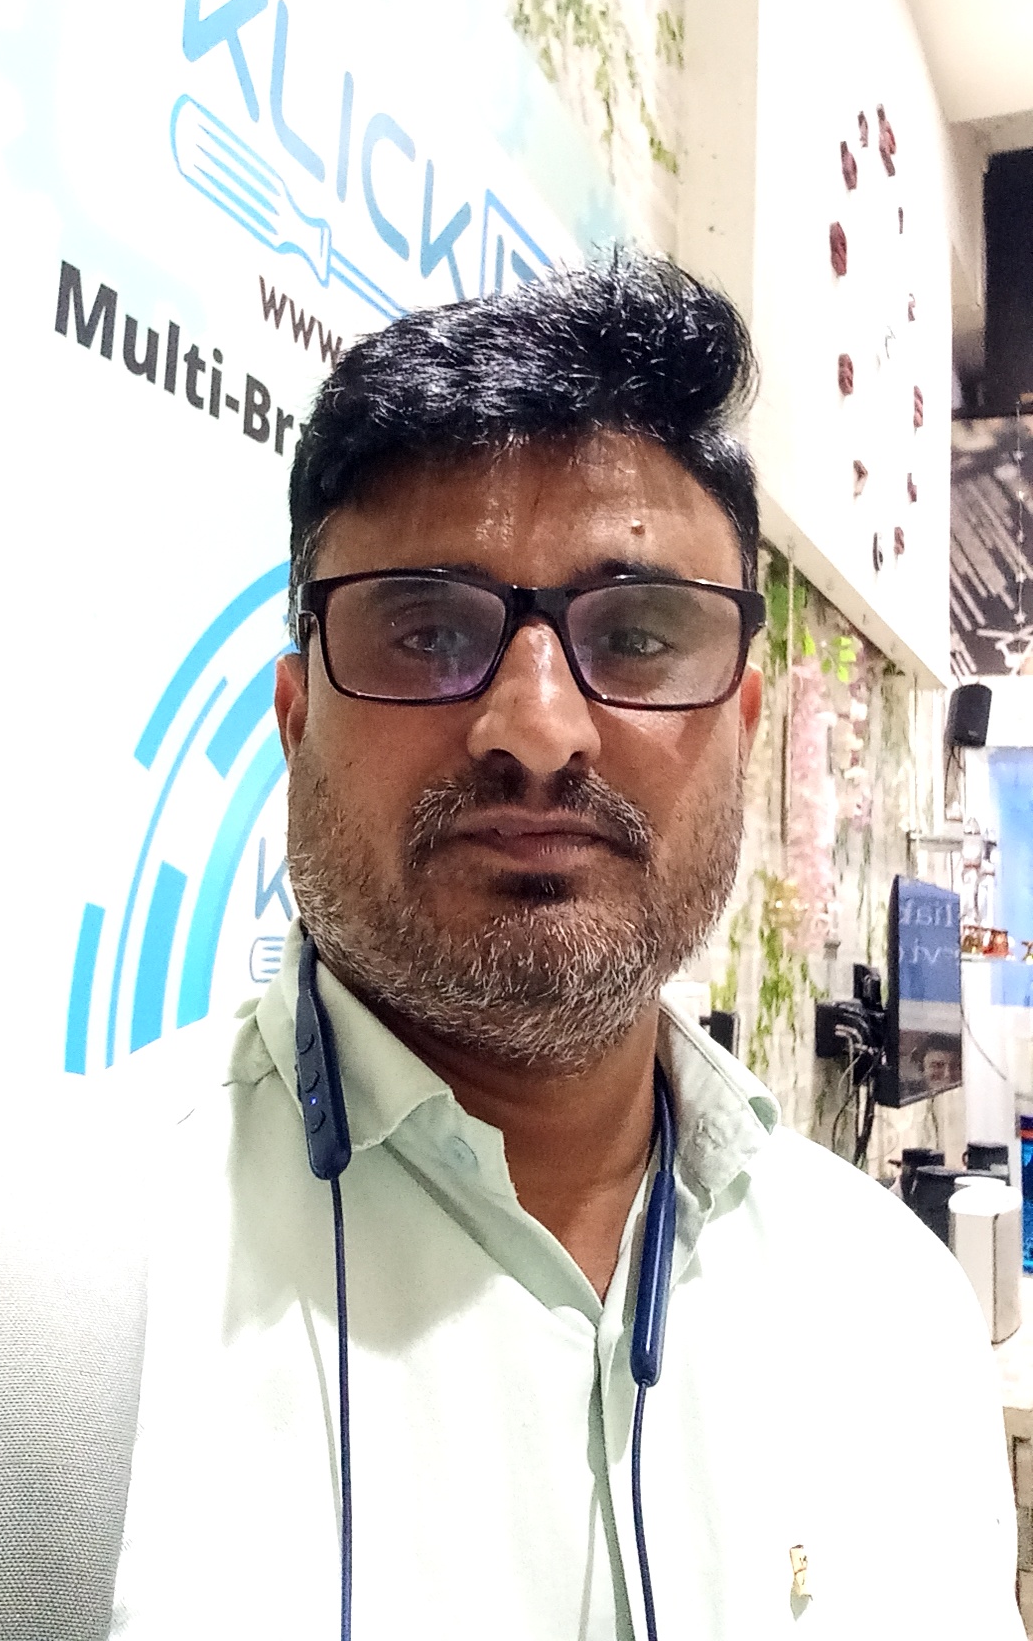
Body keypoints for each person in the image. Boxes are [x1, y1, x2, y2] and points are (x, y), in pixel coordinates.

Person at [111, 252, 1022, 1640]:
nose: (538, 729)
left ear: (742, 726)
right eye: (428, 630)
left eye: (640, 635)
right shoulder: (44, 1309)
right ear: (296, 719)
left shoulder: (897, 1320)